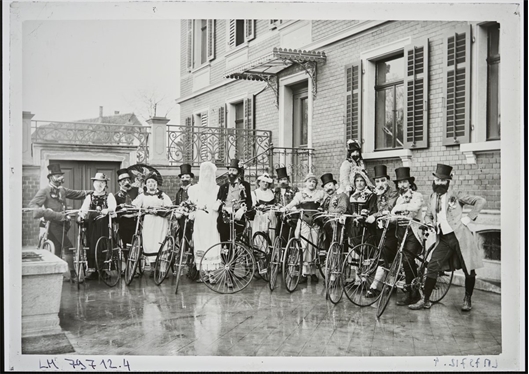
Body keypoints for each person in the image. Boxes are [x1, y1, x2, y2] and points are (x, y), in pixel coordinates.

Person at [409, 164, 486, 311]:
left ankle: (467, 299)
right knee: (432, 266)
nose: (439, 183)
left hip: (460, 238)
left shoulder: (456, 194)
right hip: (444, 239)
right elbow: (428, 215)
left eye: (442, 181)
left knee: (468, 269)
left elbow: (480, 201)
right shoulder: (432, 197)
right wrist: (429, 223)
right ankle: (425, 300)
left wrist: (469, 218)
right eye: (437, 180)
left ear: (448, 181)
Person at [28, 163, 89, 281]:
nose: (60, 178)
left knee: (56, 247)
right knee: (68, 247)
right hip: (53, 224)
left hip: (64, 224)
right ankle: (72, 274)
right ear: (51, 177)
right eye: (57, 176)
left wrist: (93, 191)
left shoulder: (62, 190)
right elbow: (33, 208)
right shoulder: (44, 191)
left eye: (61, 175)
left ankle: (56, 275)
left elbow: (78, 194)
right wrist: (52, 214)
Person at [363, 165, 399, 297]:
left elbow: (388, 208)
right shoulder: (376, 194)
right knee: (381, 256)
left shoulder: (393, 193)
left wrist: (374, 215)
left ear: (387, 180)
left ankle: (374, 287)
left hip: (391, 229)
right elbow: (372, 208)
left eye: (383, 180)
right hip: (379, 229)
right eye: (377, 181)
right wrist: (367, 211)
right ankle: (389, 283)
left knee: (386, 257)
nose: (380, 183)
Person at [390, 167, 424, 306]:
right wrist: (390, 216)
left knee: (408, 259)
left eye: (405, 182)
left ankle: (412, 294)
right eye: (400, 183)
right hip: (402, 232)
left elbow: (415, 208)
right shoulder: (398, 200)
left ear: (410, 183)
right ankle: (412, 288)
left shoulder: (417, 195)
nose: (402, 185)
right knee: (404, 261)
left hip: (413, 231)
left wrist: (398, 210)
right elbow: (393, 217)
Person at [284, 172, 326, 283]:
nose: (311, 183)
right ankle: (303, 272)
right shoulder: (300, 194)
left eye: (313, 182)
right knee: (303, 246)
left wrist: (323, 209)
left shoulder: (320, 193)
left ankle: (312, 272)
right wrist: (286, 208)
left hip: (316, 222)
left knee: (313, 245)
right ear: (305, 183)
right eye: (309, 181)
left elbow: (326, 202)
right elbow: (293, 203)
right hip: (304, 222)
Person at [131, 172, 172, 276]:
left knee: (161, 242)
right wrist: (142, 210)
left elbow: (169, 208)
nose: (151, 184)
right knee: (150, 243)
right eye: (149, 182)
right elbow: (134, 206)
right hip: (149, 223)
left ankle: (162, 269)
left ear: (156, 184)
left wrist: (158, 211)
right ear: (145, 184)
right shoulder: (142, 196)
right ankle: (153, 269)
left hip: (160, 222)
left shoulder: (162, 195)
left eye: (153, 182)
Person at [78, 173, 117, 280]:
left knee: (103, 245)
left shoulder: (109, 196)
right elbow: (84, 209)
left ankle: (103, 269)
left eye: (102, 182)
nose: (99, 185)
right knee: (91, 245)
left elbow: (113, 207)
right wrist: (82, 215)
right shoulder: (89, 197)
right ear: (93, 184)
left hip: (104, 224)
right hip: (92, 225)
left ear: (105, 184)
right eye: (97, 182)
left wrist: (108, 209)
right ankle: (93, 270)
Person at [187, 162, 222, 282]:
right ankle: (203, 272)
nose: (207, 174)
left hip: (213, 220)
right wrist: (192, 212)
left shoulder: (218, 189)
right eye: (205, 172)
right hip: (200, 220)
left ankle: (212, 273)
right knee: (201, 243)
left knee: (213, 243)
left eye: (210, 172)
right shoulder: (194, 189)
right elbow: (191, 204)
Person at [217, 159, 253, 243]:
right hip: (225, 216)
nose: (231, 173)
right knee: (224, 240)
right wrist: (224, 208)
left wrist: (242, 210)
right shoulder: (223, 187)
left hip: (239, 216)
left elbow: (249, 202)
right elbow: (218, 201)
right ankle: (225, 255)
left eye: (234, 170)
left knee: (236, 240)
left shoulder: (245, 185)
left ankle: (236, 255)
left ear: (239, 172)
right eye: (230, 170)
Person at [319, 173, 349, 252]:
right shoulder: (327, 198)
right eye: (325, 187)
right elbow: (322, 209)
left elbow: (342, 208)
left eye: (329, 185)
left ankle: (338, 260)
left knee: (338, 243)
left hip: (339, 225)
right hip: (328, 225)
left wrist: (329, 212)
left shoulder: (341, 195)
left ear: (335, 186)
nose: (328, 189)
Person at [346, 170, 377, 246]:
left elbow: (373, 210)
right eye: (357, 181)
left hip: (365, 227)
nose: (359, 183)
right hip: (352, 228)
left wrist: (365, 214)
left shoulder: (371, 195)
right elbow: (349, 210)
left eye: (361, 181)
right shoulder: (352, 196)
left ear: (365, 182)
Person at [114, 169, 140, 252]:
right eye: (123, 181)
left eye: (128, 180)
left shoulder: (136, 190)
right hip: (124, 221)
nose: (126, 182)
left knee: (136, 241)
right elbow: (115, 209)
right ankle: (126, 258)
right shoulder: (116, 196)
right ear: (119, 183)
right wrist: (119, 207)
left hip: (135, 220)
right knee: (125, 243)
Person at [273, 167, 298, 245]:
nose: (282, 182)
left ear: (288, 180)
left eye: (284, 179)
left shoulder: (294, 190)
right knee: (279, 235)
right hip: (280, 217)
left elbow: (297, 201)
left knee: (290, 235)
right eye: (280, 180)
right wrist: (278, 206)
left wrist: (291, 208)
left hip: (291, 216)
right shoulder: (276, 191)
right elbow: (274, 202)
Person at [251, 172, 277, 240]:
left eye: (267, 182)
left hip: (271, 216)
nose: (265, 183)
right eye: (263, 182)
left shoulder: (271, 192)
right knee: (260, 235)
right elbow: (253, 205)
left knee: (271, 234)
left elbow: (275, 204)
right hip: (260, 217)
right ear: (259, 182)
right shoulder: (255, 193)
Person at [174, 163, 195, 246]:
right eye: (182, 178)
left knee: (192, 236)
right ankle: (183, 252)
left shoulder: (194, 189)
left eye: (187, 177)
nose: (184, 179)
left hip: (192, 218)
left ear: (191, 179)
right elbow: (177, 204)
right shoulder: (179, 192)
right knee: (182, 236)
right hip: (182, 219)